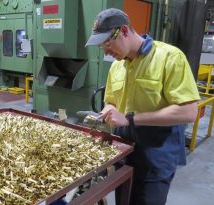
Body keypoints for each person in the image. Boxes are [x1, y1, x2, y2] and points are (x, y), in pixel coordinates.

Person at [85, 8, 200, 205]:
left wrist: (129, 118)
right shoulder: (116, 66)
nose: (105, 51)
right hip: (124, 153)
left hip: (156, 156)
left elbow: (188, 112)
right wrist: (105, 113)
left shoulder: (169, 57)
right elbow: (111, 101)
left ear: (124, 31)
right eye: (101, 46)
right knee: (124, 200)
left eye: (107, 43)